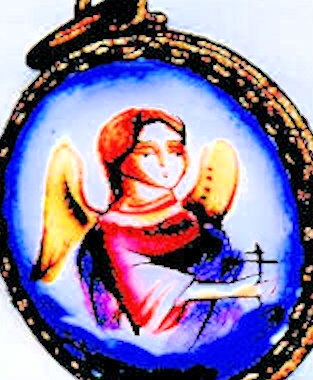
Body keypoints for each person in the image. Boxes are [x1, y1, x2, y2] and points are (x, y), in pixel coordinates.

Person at [32, 107, 272, 338]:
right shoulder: (113, 233)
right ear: (120, 159)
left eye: (175, 151)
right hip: (170, 340)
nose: (166, 162)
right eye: (147, 153)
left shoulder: (193, 219)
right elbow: (151, 296)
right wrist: (234, 290)